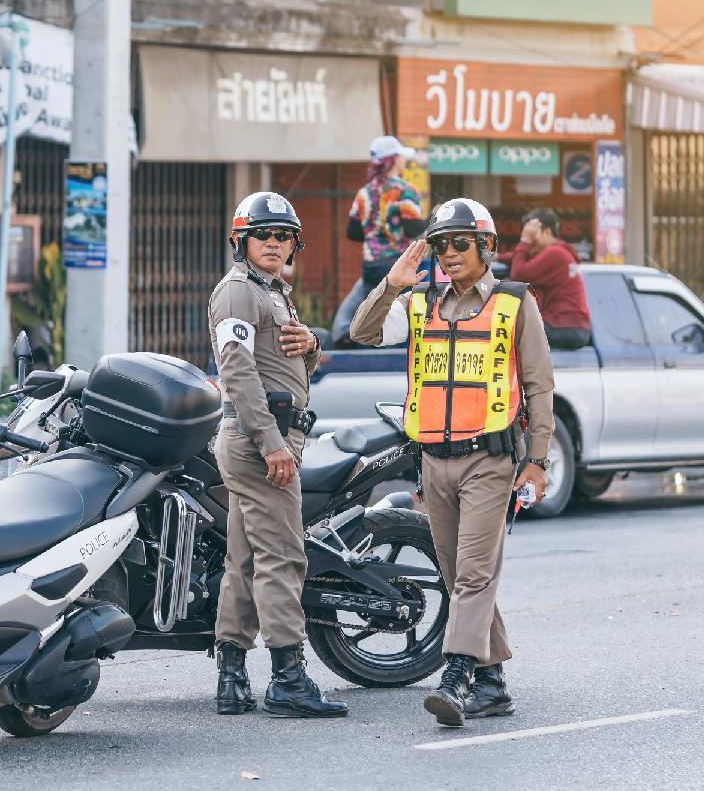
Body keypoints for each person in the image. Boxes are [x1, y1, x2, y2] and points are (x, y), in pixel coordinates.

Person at [348, 197, 555, 727]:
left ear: (487, 247)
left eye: (462, 243)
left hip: (490, 458)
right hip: (434, 461)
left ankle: (457, 676)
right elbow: (362, 332)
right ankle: (492, 683)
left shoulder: (513, 302)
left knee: (475, 573)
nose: (450, 253)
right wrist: (392, 283)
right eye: (441, 245)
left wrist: (537, 461)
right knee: (458, 572)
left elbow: (539, 385)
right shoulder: (420, 303)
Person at [208, 191, 348, 719]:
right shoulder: (238, 291)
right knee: (284, 558)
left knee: (243, 562)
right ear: (242, 242)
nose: (274, 242)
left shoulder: (273, 291)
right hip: (259, 439)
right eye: (263, 234)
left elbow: (288, 356)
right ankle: (289, 678)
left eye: (283, 235)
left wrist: (311, 343)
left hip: (263, 437)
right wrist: (272, 444)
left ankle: (231, 675)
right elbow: (238, 371)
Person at [330, 135, 425, 346]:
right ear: (393, 160)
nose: (403, 161)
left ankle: (354, 341)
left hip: (370, 266)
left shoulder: (364, 192)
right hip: (398, 263)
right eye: (400, 157)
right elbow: (413, 228)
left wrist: (376, 229)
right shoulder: (404, 191)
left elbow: (353, 232)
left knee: (375, 308)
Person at [497, 208, 592, 350]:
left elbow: (518, 275)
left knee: (503, 331)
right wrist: (495, 257)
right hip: (570, 327)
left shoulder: (556, 253)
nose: (530, 243)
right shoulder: (559, 252)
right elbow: (517, 259)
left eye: (532, 236)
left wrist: (524, 242)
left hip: (564, 327)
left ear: (547, 232)